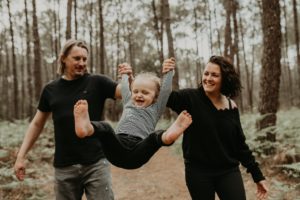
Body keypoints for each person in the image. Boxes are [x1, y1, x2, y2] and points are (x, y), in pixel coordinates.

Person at [13, 39, 132, 200]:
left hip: (96, 163)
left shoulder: (97, 82)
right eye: (77, 58)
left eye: (84, 59)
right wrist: (21, 156)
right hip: (64, 168)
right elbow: (36, 123)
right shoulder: (51, 90)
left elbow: (126, 93)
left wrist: (129, 79)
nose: (82, 63)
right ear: (63, 58)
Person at [164, 55, 268, 200]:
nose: (208, 78)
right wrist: (168, 76)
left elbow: (239, 144)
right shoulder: (190, 98)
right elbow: (166, 98)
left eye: (214, 75)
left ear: (224, 79)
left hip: (228, 171)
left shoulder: (232, 106)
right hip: (198, 173)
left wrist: (258, 176)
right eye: (206, 73)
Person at [73, 58, 192, 169]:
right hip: (117, 147)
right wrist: (124, 74)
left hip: (138, 150)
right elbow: (125, 87)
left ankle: (167, 137)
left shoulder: (156, 108)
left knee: (154, 137)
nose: (139, 95)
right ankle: (87, 128)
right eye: (136, 91)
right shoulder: (128, 102)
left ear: (155, 97)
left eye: (145, 93)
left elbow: (165, 91)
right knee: (106, 127)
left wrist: (169, 72)